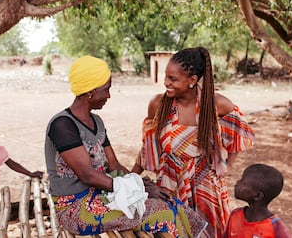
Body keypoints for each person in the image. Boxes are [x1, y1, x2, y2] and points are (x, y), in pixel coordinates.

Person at [44, 55, 207, 237]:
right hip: (76, 209)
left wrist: (141, 183)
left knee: (173, 203)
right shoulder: (63, 125)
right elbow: (87, 175)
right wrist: (139, 189)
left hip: (101, 197)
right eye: (106, 90)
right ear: (90, 92)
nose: (108, 95)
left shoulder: (96, 121)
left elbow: (114, 166)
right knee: (163, 213)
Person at [131, 47, 255, 238]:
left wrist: (226, 167)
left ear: (193, 80)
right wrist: (130, 178)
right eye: (166, 77)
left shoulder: (216, 104)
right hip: (169, 185)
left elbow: (240, 135)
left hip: (207, 189)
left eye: (173, 79)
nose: (166, 83)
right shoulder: (158, 105)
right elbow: (148, 148)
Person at [222, 164, 292, 238]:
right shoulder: (235, 215)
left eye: (243, 183)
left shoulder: (277, 229)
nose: (237, 183)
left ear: (258, 196)